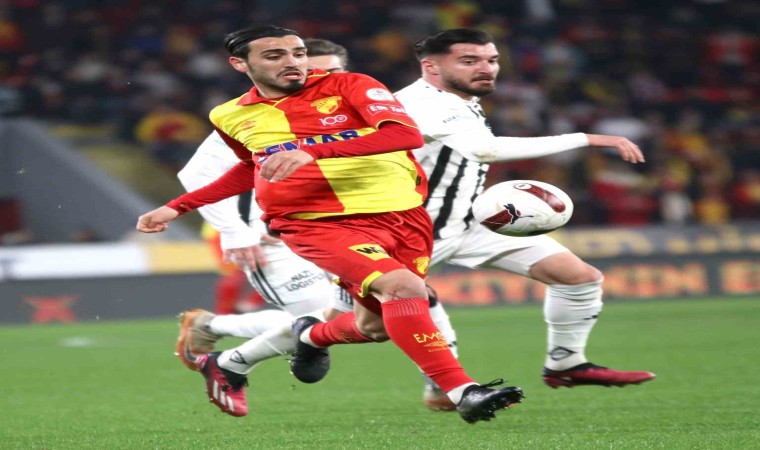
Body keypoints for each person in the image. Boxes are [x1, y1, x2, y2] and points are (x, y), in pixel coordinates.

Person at [136, 25, 524, 424]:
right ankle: (463, 391)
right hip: (316, 222)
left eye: (298, 53)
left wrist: (310, 150)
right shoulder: (231, 114)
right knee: (406, 289)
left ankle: (294, 340)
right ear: (240, 64)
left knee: (375, 327)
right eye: (275, 56)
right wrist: (178, 207)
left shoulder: (352, 85)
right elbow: (255, 165)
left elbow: (403, 135)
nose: (292, 62)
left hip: (403, 217)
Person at [174, 37, 459, 412]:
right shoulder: (245, 115)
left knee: (385, 309)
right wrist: (235, 231)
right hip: (275, 236)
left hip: (357, 227)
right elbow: (197, 173)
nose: (310, 76)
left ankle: (224, 353)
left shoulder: (362, 103)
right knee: (322, 315)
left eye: (326, 70)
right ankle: (219, 338)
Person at [391, 28, 655, 388]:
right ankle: (312, 339)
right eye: (469, 61)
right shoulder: (423, 102)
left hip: (470, 220)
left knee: (577, 277)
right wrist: (585, 138)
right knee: (364, 324)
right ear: (431, 67)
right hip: (409, 231)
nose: (486, 68)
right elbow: (484, 150)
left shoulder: (458, 98)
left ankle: (566, 364)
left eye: (492, 60)